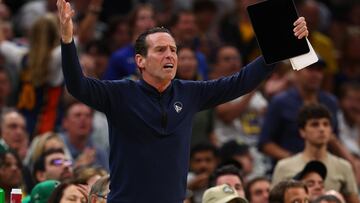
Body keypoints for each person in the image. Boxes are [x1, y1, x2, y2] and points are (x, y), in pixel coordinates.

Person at [57, 0, 309, 201]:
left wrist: (282, 44)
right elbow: (77, 86)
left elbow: (240, 82)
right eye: (160, 50)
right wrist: (68, 41)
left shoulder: (190, 93)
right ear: (140, 61)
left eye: (173, 50)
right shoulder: (120, 94)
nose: (170, 55)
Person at [271, 104, 359, 203]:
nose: (321, 129)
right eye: (315, 124)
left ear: (331, 130)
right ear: (302, 131)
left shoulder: (343, 166)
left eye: (326, 124)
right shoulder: (284, 167)